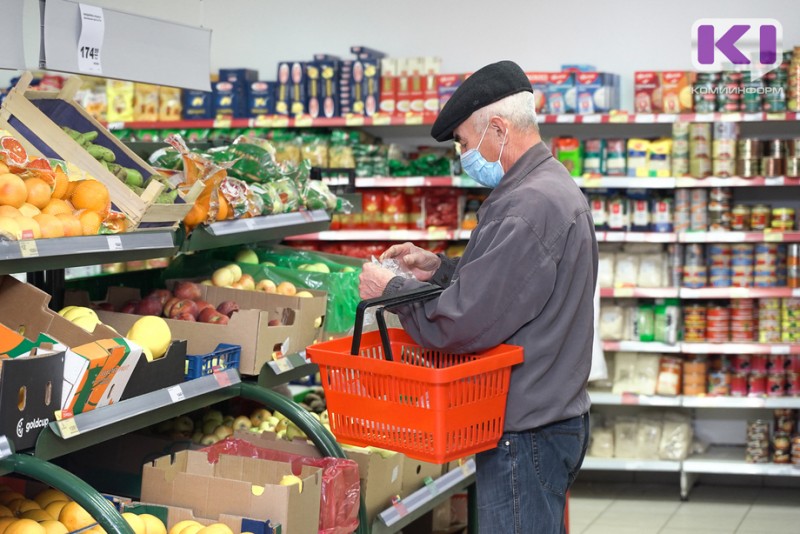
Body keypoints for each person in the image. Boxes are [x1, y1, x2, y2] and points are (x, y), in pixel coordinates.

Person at [358, 60, 598, 534]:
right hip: (551, 416)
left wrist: (393, 292)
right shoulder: (547, 186)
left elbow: (461, 323)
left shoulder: (528, 206)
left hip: (526, 430)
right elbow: (512, 288)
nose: (464, 155)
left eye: (465, 143)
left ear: (498, 128)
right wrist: (439, 268)